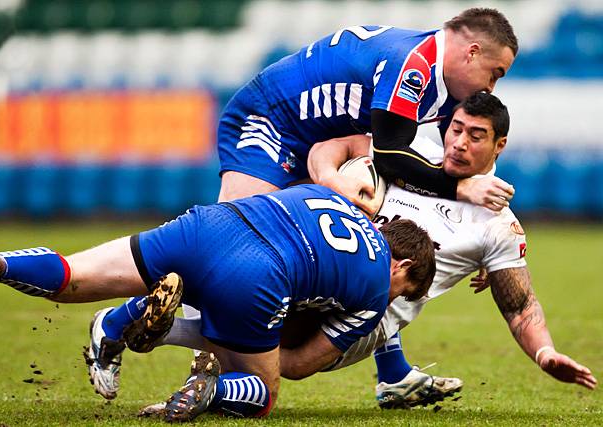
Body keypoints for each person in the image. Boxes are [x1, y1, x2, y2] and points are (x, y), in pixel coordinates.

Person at [146, 93, 597, 411]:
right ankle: (192, 360)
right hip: (319, 267)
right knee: (248, 281)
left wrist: (545, 354)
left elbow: (521, 307)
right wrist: (332, 181)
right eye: (456, 129)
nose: (459, 142)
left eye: (476, 136)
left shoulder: (498, 226)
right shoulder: (413, 151)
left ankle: (188, 351)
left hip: (367, 315)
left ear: (500, 146)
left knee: (293, 364)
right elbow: (330, 147)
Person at [0, 184, 436, 421]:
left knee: (72, 276)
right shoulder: (376, 291)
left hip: (211, 224)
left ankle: (0, 265)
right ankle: (207, 385)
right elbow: (298, 364)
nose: (395, 301)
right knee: (265, 390)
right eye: (404, 294)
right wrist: (257, 349)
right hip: (259, 274)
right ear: (401, 268)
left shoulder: (332, 198)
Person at [216, 7, 518, 214]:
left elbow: (461, 167)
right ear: (473, 52)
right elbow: (389, 154)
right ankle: (175, 286)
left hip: (322, 140)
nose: (491, 87)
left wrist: (483, 234)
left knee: (293, 239)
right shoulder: (413, 65)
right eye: (495, 73)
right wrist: (461, 190)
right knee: (240, 226)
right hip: (270, 118)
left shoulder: (451, 88)